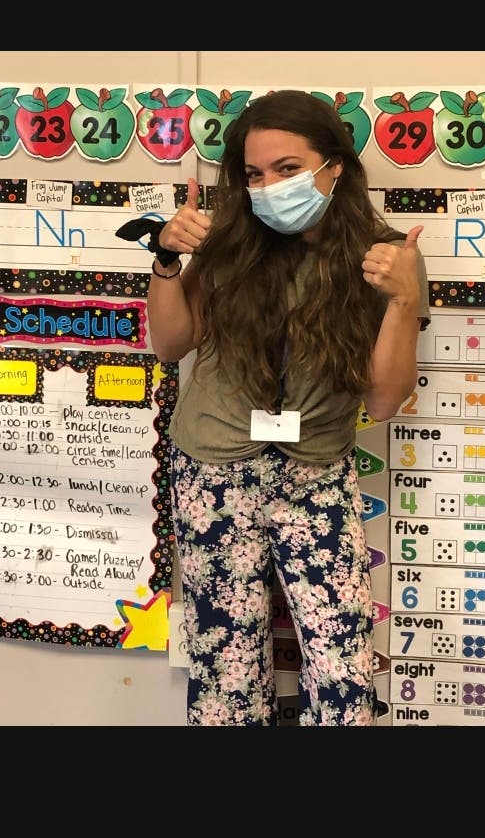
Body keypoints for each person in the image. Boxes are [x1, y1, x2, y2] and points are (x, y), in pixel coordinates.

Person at [144, 89, 431, 726]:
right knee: (227, 663)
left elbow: (383, 400)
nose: (269, 186)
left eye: (288, 169)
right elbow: (169, 344)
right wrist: (167, 257)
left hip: (316, 473)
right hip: (211, 471)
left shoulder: (388, 257)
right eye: (254, 174)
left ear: (335, 167)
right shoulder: (226, 243)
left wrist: (404, 301)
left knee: (343, 665)